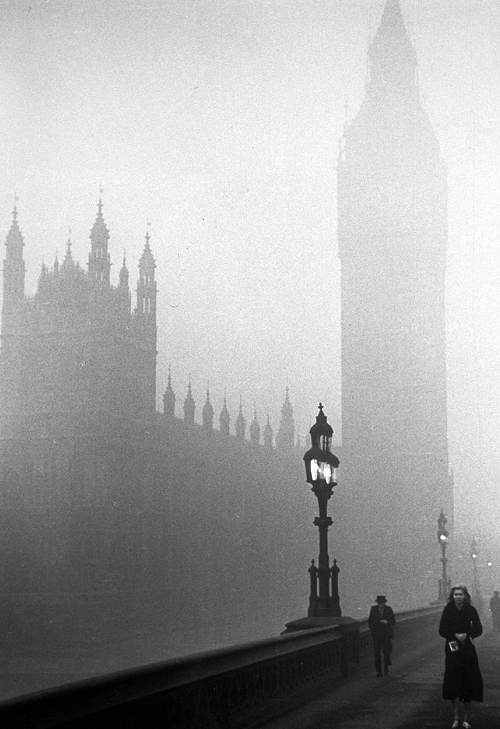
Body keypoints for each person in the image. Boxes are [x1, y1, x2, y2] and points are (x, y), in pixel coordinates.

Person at [439, 585, 483, 729]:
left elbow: (478, 629)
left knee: (468, 681)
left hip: (467, 650)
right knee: (453, 682)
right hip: (452, 650)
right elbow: (442, 630)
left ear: (465, 596)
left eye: (461, 594)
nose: (458, 597)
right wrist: (455, 635)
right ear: (453, 596)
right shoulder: (448, 610)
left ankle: (466, 718)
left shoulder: (471, 610)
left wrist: (467, 634)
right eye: (456, 594)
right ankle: (456, 716)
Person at [368, 595, 396, 677]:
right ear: (377, 603)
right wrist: (373, 630)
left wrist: (387, 622)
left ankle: (386, 668)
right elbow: (370, 622)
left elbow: (393, 621)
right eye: (379, 603)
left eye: (382, 603)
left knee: (386, 653)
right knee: (377, 653)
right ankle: (379, 671)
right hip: (376, 635)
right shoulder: (373, 609)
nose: (381, 604)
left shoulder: (389, 609)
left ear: (384, 603)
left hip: (386, 635)